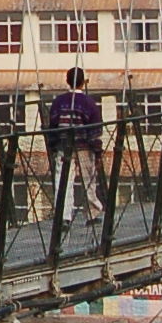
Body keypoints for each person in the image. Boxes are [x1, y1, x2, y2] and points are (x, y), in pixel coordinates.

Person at [43, 66, 106, 221]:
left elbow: (53, 126)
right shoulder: (89, 103)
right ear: (83, 83)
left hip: (63, 147)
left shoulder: (58, 102)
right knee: (88, 179)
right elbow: (95, 130)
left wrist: (53, 146)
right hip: (84, 146)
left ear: (67, 81)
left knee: (63, 181)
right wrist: (98, 152)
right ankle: (92, 214)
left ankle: (64, 217)